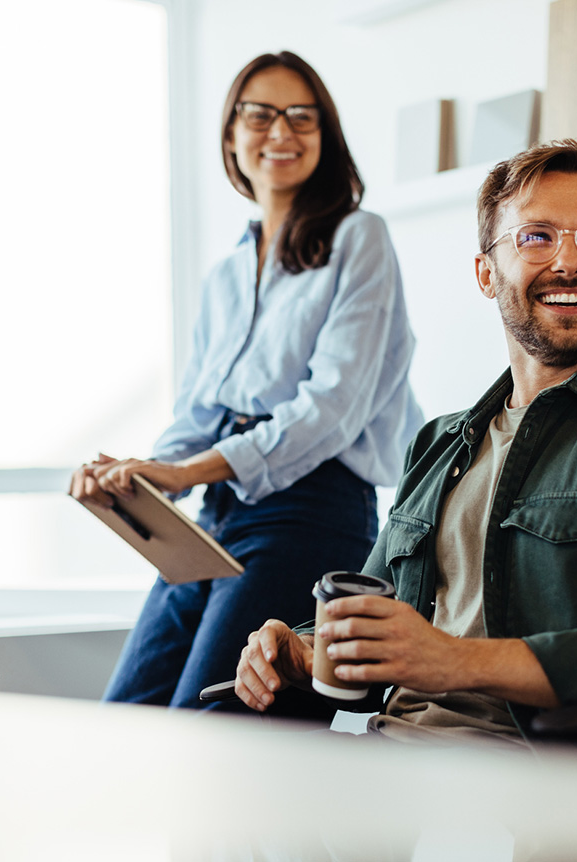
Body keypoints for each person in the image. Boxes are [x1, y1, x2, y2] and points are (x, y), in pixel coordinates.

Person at [233, 139, 577, 747]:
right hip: (387, 761)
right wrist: (302, 650)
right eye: (536, 236)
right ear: (486, 273)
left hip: (527, 788)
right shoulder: (439, 443)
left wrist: (451, 660)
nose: (570, 261)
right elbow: (377, 625)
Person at [70, 51, 422, 709]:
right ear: (232, 134)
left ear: (327, 133)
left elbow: (331, 411)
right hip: (219, 513)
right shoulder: (227, 272)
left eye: (301, 116)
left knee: (208, 725)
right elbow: (200, 410)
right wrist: (136, 476)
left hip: (311, 513)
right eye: (259, 114)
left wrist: (185, 472)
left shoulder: (359, 239)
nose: (281, 132)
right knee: (124, 713)